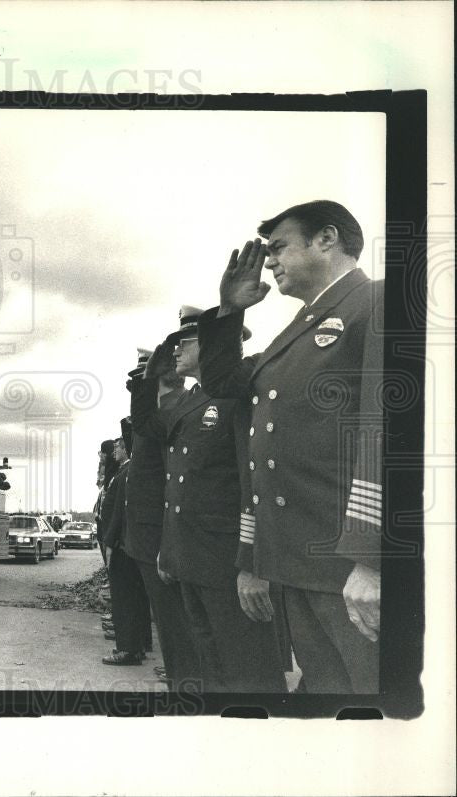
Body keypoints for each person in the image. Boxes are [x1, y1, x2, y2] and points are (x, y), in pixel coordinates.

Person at [197, 200, 384, 693]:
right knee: (326, 695)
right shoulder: (296, 331)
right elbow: (223, 382)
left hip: (347, 565)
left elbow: (386, 434)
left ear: (326, 239)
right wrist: (229, 311)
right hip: (295, 562)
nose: (270, 262)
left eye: (278, 248)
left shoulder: (378, 302)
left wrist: (372, 560)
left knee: (372, 707)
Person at [135, 307, 286, 692]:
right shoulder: (189, 402)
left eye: (184, 342)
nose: (175, 350)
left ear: (214, 345)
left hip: (229, 563)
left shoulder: (241, 393)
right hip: (192, 560)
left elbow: (257, 481)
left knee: (250, 675)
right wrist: (150, 376)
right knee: (213, 670)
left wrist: (253, 565)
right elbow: (148, 427)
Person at [126, 354, 203, 689]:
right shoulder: (160, 414)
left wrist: (165, 545)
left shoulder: (168, 415)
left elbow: (172, 483)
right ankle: (181, 681)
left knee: (176, 627)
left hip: (159, 538)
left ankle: (186, 689)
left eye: (140, 381)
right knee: (171, 628)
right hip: (149, 538)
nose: (135, 388)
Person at [100, 434, 154, 666]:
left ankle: (128, 649)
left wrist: (110, 542)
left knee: (124, 599)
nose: (115, 451)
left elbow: (120, 511)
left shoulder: (127, 472)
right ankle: (137, 645)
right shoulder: (126, 471)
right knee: (133, 598)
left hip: (121, 544)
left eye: (119, 447)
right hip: (124, 542)